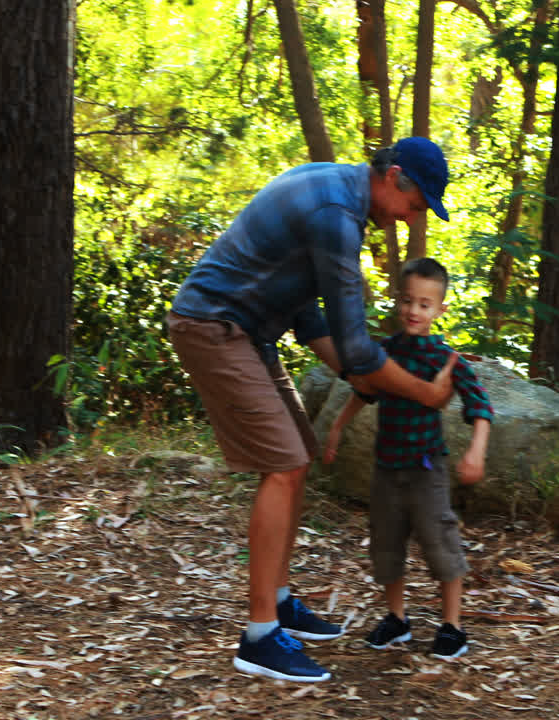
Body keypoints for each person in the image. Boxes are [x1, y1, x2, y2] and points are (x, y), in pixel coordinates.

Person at [166, 137, 459, 682]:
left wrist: (363, 381)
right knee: (282, 464)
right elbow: (355, 347)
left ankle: (276, 603)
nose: (410, 218)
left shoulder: (334, 188)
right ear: (394, 177)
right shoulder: (336, 215)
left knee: (297, 454)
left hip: (252, 332)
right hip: (213, 327)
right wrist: (420, 392)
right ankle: (258, 638)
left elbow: (311, 322)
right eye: (416, 205)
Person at [323, 257, 493, 659]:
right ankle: (396, 619)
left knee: (440, 544)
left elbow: (481, 406)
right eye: (408, 301)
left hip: (426, 469)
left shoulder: (445, 359)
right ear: (398, 301)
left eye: (424, 304)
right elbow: (366, 391)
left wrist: (476, 451)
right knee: (386, 544)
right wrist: (337, 427)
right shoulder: (385, 352)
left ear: (439, 310)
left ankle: (453, 626)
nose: (414, 311)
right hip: (386, 469)